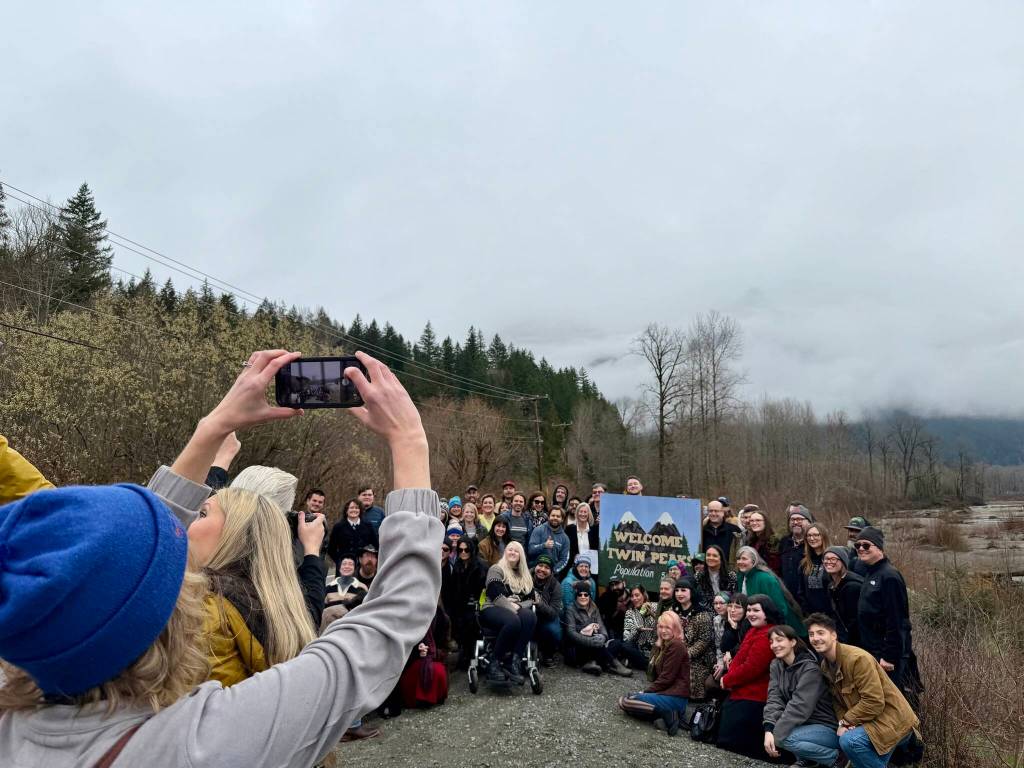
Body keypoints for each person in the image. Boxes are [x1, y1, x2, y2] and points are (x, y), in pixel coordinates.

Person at [0, 348, 443, 767]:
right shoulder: (205, 744)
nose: (187, 526)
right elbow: (390, 620)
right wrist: (408, 440)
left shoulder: (12, 714)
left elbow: (122, 560)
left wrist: (213, 430)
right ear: (158, 613)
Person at [191, 484, 321, 687]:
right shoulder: (282, 611)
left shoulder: (205, 614)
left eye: (202, 513)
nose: (186, 521)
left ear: (233, 534)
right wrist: (312, 552)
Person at [807, 613, 921, 768]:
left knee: (849, 741)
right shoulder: (826, 666)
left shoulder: (857, 659)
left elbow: (874, 702)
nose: (815, 638)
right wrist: (845, 723)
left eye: (821, 633)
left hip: (894, 721)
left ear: (833, 635)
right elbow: (837, 702)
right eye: (811, 634)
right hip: (869, 723)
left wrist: (846, 721)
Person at [854, 527, 921, 700]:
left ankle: (911, 727)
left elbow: (897, 620)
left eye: (866, 545)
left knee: (897, 701)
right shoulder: (871, 572)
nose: (861, 548)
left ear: (879, 548)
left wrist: (889, 657)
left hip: (888, 656)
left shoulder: (889, 576)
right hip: (873, 650)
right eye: (858, 545)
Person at [762, 624, 840, 767]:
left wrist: (775, 734)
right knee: (779, 733)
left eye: (779, 640)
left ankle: (836, 759)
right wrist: (769, 728)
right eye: (771, 642)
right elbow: (774, 698)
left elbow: (800, 706)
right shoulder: (776, 665)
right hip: (801, 726)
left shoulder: (810, 669)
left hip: (825, 727)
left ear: (793, 642)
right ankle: (808, 760)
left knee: (783, 738)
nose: (774, 645)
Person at [717, 594, 782, 759]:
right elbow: (739, 658)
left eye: (756, 610)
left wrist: (728, 679)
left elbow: (752, 668)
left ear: (767, 612)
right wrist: (730, 676)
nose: (751, 613)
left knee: (729, 742)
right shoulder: (754, 630)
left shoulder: (768, 634)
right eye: (750, 610)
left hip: (757, 695)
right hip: (742, 688)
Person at [617, 611, 691, 736]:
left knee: (627, 701)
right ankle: (669, 717)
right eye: (661, 627)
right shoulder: (663, 644)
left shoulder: (676, 645)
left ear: (675, 628)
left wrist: (646, 692)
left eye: (668, 627)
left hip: (676, 697)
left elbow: (667, 678)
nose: (663, 630)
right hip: (666, 694)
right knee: (628, 702)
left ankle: (668, 713)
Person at [479, 542, 537, 685]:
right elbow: (495, 595)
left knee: (530, 617)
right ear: (505, 552)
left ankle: (514, 661)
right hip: (491, 607)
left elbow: (530, 600)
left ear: (520, 556)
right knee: (513, 621)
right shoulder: (496, 569)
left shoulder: (525, 576)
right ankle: (494, 663)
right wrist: (513, 608)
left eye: (516, 551)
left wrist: (517, 605)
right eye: (510, 549)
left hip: (514, 609)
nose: (512, 552)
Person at [564, 582, 631, 677]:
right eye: (580, 594)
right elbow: (571, 633)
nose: (583, 597)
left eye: (586, 594)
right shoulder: (571, 609)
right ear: (576, 596)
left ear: (589, 595)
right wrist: (591, 641)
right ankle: (614, 664)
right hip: (578, 648)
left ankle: (592, 663)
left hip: (594, 645)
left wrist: (603, 637)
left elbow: (602, 626)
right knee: (598, 647)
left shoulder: (594, 608)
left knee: (616, 644)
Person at [736, 545, 806, 635]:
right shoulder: (741, 576)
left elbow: (780, 608)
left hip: (780, 628)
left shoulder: (764, 578)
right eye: (738, 559)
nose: (740, 562)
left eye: (744, 559)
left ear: (754, 561)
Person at [396, 604, 450, 710]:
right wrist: (417, 651)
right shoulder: (407, 615)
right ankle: (417, 700)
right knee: (420, 669)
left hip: (433, 660)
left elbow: (445, 648)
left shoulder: (440, 617)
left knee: (436, 670)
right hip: (408, 663)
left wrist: (431, 652)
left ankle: (432, 698)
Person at [669, 578, 715, 701]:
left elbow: (704, 641)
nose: (679, 593)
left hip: (699, 657)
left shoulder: (702, 614)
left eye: (683, 590)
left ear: (692, 592)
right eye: (677, 590)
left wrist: (686, 654)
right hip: (678, 651)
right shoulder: (673, 611)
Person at [447, 535, 487, 669]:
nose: (463, 553)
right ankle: (465, 654)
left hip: (476, 604)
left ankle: (473, 656)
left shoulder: (480, 566)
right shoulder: (457, 565)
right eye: (460, 550)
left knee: (472, 624)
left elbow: (484, 589)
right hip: (461, 604)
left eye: (466, 550)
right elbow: (453, 589)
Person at [610, 585, 658, 671]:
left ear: (643, 595)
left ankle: (644, 664)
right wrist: (637, 630)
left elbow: (665, 625)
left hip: (654, 648)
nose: (634, 598)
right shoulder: (630, 612)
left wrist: (652, 614)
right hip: (638, 651)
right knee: (623, 645)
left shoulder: (655, 606)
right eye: (632, 596)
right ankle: (647, 665)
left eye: (637, 595)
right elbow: (627, 638)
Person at [824, 545, 864, 645]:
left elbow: (854, 621)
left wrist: (844, 641)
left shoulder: (852, 587)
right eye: (826, 558)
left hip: (855, 641)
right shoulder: (832, 585)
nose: (829, 561)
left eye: (833, 559)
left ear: (843, 562)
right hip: (840, 637)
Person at [327, 498, 378, 573]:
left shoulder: (368, 526)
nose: (354, 510)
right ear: (346, 510)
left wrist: (370, 561)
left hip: (363, 568)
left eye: (356, 508)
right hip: (344, 567)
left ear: (360, 510)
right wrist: (339, 562)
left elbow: (376, 545)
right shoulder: (338, 527)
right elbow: (331, 549)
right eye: (351, 508)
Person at [531, 554, 563, 666]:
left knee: (555, 632)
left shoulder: (556, 586)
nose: (542, 570)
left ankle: (548, 653)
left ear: (551, 571)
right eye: (540, 565)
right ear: (535, 566)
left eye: (547, 567)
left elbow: (554, 613)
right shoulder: (525, 577)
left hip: (546, 617)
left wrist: (539, 603)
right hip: (527, 614)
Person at [321, 555, 369, 631]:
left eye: (350, 564)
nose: (347, 566)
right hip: (329, 630)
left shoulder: (362, 588)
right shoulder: (329, 587)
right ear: (339, 567)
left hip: (351, 629)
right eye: (344, 564)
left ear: (355, 568)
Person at [797, 523, 832, 615]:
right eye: (809, 535)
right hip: (812, 615)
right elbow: (801, 591)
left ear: (823, 536)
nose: (812, 538)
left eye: (816, 535)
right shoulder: (804, 563)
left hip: (832, 614)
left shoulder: (833, 559)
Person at [779, 503, 813, 597]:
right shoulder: (784, 542)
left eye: (799, 519)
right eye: (792, 519)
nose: (795, 522)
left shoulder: (813, 543)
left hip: (807, 598)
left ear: (809, 522)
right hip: (787, 596)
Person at [527, 505, 569, 572]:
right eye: (553, 515)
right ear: (548, 517)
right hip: (534, 571)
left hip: (553, 574)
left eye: (558, 516)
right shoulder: (538, 530)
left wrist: (552, 571)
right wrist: (544, 545)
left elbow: (564, 560)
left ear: (562, 519)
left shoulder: (565, 538)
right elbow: (530, 550)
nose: (555, 518)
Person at [744, 509, 782, 573]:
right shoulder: (751, 540)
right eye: (752, 521)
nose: (754, 523)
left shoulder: (773, 541)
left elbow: (775, 566)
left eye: (758, 520)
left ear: (765, 522)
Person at [565, 501, 600, 568]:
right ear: (577, 513)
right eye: (580, 511)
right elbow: (567, 549)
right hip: (573, 566)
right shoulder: (569, 529)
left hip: (590, 567)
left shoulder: (594, 530)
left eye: (585, 512)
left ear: (588, 514)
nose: (583, 514)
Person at [598, 576, 629, 640]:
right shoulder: (605, 597)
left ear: (624, 583)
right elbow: (601, 617)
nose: (614, 587)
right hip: (612, 632)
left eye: (617, 584)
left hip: (628, 631)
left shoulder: (632, 597)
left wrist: (625, 610)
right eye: (612, 585)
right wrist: (616, 609)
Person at [711, 591, 730, 667]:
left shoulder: (736, 619)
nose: (718, 606)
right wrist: (720, 662)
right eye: (715, 603)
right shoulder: (716, 620)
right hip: (723, 658)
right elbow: (718, 645)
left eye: (722, 603)